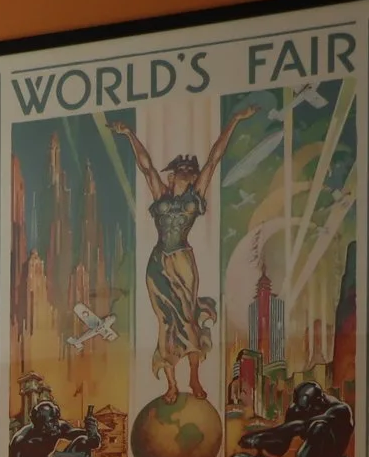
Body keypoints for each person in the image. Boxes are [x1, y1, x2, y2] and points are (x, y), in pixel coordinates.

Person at [111, 106, 259, 402]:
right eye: (182, 169)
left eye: (191, 170)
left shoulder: (196, 195)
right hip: (158, 263)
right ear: (173, 174)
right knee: (165, 322)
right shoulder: (161, 195)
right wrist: (129, 135)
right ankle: (171, 383)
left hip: (182, 261)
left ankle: (193, 375)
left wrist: (233, 120)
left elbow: (214, 158)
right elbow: (146, 166)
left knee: (188, 318)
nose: (188, 172)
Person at [230, 381, 354, 457]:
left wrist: (263, 436)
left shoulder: (339, 410)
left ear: (321, 401)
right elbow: (280, 448)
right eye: (303, 410)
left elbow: (302, 426)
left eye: (310, 409)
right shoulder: (297, 409)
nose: (306, 412)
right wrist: (261, 444)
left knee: (318, 427)